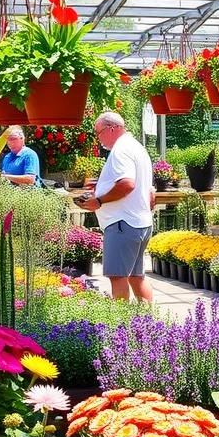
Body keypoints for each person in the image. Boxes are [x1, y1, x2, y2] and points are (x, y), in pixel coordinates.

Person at [79, 112, 155, 303]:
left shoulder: (121, 150)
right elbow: (149, 192)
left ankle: (121, 320)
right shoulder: (137, 148)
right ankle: (148, 317)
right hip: (139, 222)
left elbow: (127, 184)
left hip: (122, 223)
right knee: (136, 276)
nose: (98, 138)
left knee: (117, 276)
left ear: (112, 128)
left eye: (98, 132)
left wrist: (99, 201)